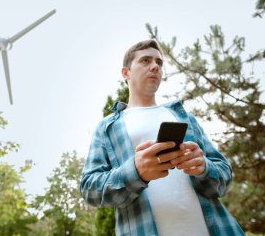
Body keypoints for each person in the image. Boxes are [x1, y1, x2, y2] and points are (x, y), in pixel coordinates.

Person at [80, 39, 244, 236]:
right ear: (126, 73)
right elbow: (89, 189)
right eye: (145, 61)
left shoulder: (183, 117)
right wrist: (135, 172)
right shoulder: (107, 127)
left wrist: (204, 166)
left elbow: (224, 174)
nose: (155, 67)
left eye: (159, 63)